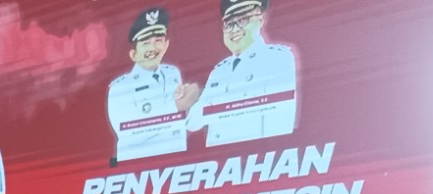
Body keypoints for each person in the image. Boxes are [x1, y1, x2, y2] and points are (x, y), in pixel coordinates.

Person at [185, 0, 298, 147]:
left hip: (253, 155)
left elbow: (280, 120)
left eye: (243, 20)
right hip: (219, 157)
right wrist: (196, 101)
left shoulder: (276, 58)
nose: (234, 29)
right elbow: (193, 124)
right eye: (229, 24)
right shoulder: (219, 71)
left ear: (260, 20)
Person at [108, 8, 199, 163]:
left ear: (166, 44)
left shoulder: (172, 73)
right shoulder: (121, 87)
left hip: (178, 161)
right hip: (138, 167)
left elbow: (188, 124)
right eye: (145, 43)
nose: (153, 48)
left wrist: (191, 103)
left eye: (158, 41)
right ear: (133, 54)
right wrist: (176, 107)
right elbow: (128, 131)